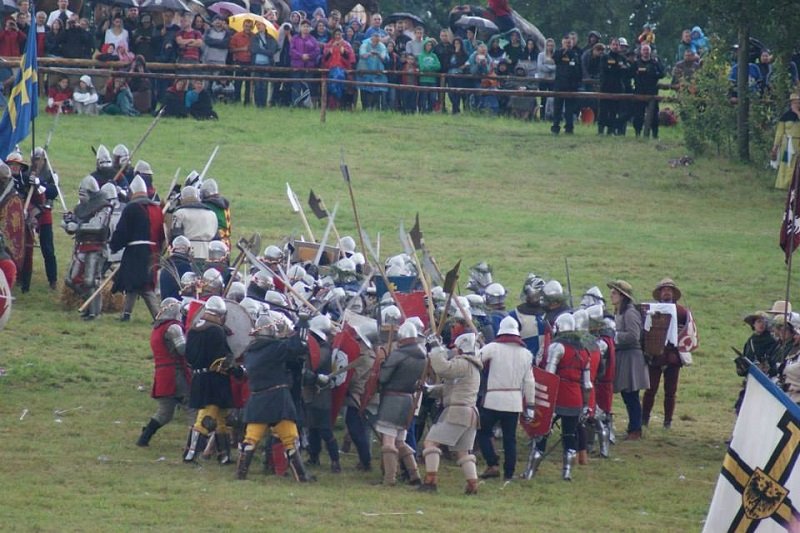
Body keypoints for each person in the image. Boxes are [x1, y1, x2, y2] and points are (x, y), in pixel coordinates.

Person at [236, 312, 315, 481]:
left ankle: (241, 474)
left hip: (258, 399)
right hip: (278, 399)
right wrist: (302, 323)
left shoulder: (250, 352)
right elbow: (300, 345)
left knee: (251, 439)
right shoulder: (274, 349)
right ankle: (301, 477)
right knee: (290, 439)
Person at [418, 332, 483, 495]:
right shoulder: (472, 366)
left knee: (431, 443)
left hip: (457, 411)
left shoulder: (464, 363)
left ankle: (430, 481)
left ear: (461, 348)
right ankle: (472, 485)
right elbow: (450, 388)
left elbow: (443, 369)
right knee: (462, 452)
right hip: (469, 413)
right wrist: (430, 390)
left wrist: (435, 348)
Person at [476, 316, 536, 481]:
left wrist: (479, 346)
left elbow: (476, 360)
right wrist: (530, 404)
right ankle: (508, 473)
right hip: (513, 402)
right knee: (510, 439)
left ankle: (493, 463)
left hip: (494, 400)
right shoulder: (526, 354)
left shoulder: (493, 348)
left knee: (483, 432)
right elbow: (529, 381)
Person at [183, 296, 237, 464]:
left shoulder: (194, 328)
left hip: (199, 376)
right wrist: (236, 369)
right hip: (214, 379)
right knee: (207, 418)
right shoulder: (216, 331)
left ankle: (224, 456)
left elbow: (188, 356)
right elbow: (222, 359)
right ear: (220, 314)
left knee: (221, 419)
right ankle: (190, 454)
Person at [375, 321, 426, 486]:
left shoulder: (398, 354)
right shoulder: (422, 355)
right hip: (408, 400)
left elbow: (383, 378)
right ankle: (414, 475)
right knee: (400, 441)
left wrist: (383, 366)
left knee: (389, 442)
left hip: (393, 399)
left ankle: (389, 479)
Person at [136, 298, 191, 447]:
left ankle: (144, 438)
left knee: (165, 412)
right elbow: (183, 350)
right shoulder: (173, 328)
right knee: (192, 407)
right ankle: (195, 443)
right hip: (175, 374)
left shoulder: (157, 327)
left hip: (162, 373)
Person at [109, 176, 164, 321]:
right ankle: (126, 314)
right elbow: (162, 235)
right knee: (133, 283)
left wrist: (114, 245)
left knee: (145, 285)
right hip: (153, 252)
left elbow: (123, 231)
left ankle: (159, 316)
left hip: (136, 252)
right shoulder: (157, 209)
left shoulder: (131, 208)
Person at [61, 176, 112, 320]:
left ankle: (94, 313)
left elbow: (98, 226)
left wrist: (78, 227)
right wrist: (68, 223)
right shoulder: (81, 207)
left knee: (90, 282)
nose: (81, 195)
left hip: (96, 248)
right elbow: (75, 222)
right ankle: (89, 305)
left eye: (84, 192)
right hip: (81, 247)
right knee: (71, 280)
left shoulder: (104, 207)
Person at [642, 278, 690, 429]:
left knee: (670, 391)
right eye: (664, 290)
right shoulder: (652, 310)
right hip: (655, 355)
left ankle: (667, 421)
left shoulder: (682, 312)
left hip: (672, 357)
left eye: (669, 290)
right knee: (650, 389)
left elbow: (686, 331)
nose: (666, 292)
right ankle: (644, 419)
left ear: (673, 293)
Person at [608, 280, 649, 440]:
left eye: (614, 293)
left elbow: (634, 335)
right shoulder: (620, 312)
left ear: (622, 296)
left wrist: (614, 336)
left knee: (631, 395)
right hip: (624, 357)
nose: (611, 295)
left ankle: (635, 429)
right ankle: (634, 427)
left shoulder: (630, 313)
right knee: (628, 395)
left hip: (632, 358)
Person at [170, 185, 218, 262]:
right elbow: (217, 237)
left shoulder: (180, 213)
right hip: (208, 253)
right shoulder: (212, 214)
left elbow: (176, 236)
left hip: (187, 253)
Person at [551, 34, 581, 135]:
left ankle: (569, 128)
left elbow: (579, 69)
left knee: (570, 109)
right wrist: (564, 51)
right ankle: (555, 127)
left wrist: (578, 82)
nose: (569, 44)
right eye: (566, 42)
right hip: (560, 84)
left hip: (571, 85)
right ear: (562, 42)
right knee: (557, 108)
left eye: (570, 42)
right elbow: (555, 59)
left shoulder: (576, 54)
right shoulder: (558, 52)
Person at [632, 44, 664, 139]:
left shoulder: (655, 63)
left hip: (652, 91)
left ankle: (655, 134)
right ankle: (637, 133)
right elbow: (630, 74)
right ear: (641, 51)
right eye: (644, 50)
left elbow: (662, 74)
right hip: (639, 91)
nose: (646, 52)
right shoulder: (636, 63)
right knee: (638, 114)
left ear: (650, 52)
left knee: (654, 115)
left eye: (647, 50)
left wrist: (652, 74)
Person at [771, 93, 800, 190]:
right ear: (791, 103)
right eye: (795, 103)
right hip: (788, 144)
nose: (797, 104)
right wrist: (775, 146)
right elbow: (779, 132)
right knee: (786, 163)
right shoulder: (785, 116)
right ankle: (784, 184)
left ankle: (796, 185)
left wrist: (798, 113)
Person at [321, 28, 354, 110]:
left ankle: (338, 100)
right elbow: (324, 58)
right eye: (336, 34)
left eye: (339, 34)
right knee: (333, 81)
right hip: (331, 68)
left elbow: (351, 58)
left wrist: (344, 52)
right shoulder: (329, 45)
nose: (338, 36)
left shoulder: (346, 45)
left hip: (342, 68)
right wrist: (330, 52)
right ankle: (335, 100)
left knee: (339, 78)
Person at [290, 19, 320, 107]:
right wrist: (301, 56)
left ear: (310, 28)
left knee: (307, 86)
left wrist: (309, 56)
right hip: (297, 66)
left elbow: (317, 51)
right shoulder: (295, 38)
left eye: (307, 26)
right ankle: (295, 104)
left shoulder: (313, 40)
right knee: (296, 86)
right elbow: (292, 51)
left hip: (308, 67)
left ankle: (305, 105)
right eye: (304, 26)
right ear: (300, 27)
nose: (305, 28)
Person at [251, 21, 279, 108]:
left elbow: (273, 50)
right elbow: (254, 49)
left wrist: (262, 50)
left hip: (267, 64)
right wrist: (266, 51)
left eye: (261, 25)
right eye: (257, 25)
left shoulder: (270, 38)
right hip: (256, 63)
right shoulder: (254, 37)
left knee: (264, 85)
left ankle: (263, 104)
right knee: (257, 85)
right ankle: (257, 104)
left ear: (265, 26)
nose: (259, 27)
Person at [357, 32, 388, 110]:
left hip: (377, 71)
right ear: (371, 37)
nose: (376, 39)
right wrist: (370, 53)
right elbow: (362, 54)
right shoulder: (365, 44)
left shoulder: (382, 46)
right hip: (365, 70)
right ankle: (365, 107)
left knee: (377, 90)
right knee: (365, 90)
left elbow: (383, 57)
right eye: (375, 37)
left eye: (378, 37)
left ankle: (375, 108)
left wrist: (378, 54)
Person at [230, 18, 253, 105]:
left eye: (250, 26)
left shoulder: (254, 36)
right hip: (239, 61)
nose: (248, 28)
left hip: (250, 62)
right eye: (246, 26)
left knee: (248, 83)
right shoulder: (236, 36)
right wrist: (242, 49)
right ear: (243, 26)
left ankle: (247, 102)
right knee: (238, 82)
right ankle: (236, 100)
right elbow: (231, 49)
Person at [417, 38, 441, 114]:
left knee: (433, 97)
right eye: (427, 45)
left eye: (430, 45)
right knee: (423, 97)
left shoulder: (434, 56)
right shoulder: (421, 56)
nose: (429, 46)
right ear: (424, 46)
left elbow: (438, 66)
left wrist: (429, 67)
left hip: (433, 80)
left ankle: (430, 111)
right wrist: (432, 67)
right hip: (423, 80)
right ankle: (422, 111)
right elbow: (422, 67)